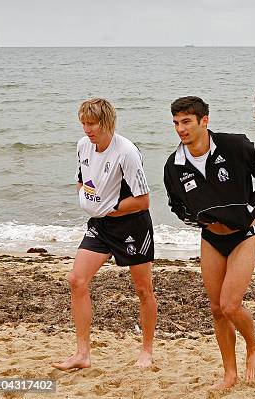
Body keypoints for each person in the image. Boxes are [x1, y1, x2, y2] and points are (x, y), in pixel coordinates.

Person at [163, 96, 255, 389]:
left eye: (186, 122)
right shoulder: (174, 165)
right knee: (216, 309)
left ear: (204, 120)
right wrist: (198, 220)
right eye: (176, 123)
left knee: (230, 305)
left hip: (244, 236)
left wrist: (252, 212)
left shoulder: (235, 146)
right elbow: (176, 204)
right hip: (211, 239)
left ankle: (253, 345)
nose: (180, 129)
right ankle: (230, 373)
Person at [52, 98, 156, 370]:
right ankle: (82, 354)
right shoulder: (83, 145)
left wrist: (109, 208)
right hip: (100, 224)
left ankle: (146, 351)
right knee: (76, 280)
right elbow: (82, 179)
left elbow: (143, 200)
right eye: (83, 123)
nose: (87, 129)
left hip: (132, 225)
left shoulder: (127, 152)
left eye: (92, 123)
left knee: (143, 290)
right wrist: (89, 200)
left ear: (107, 122)